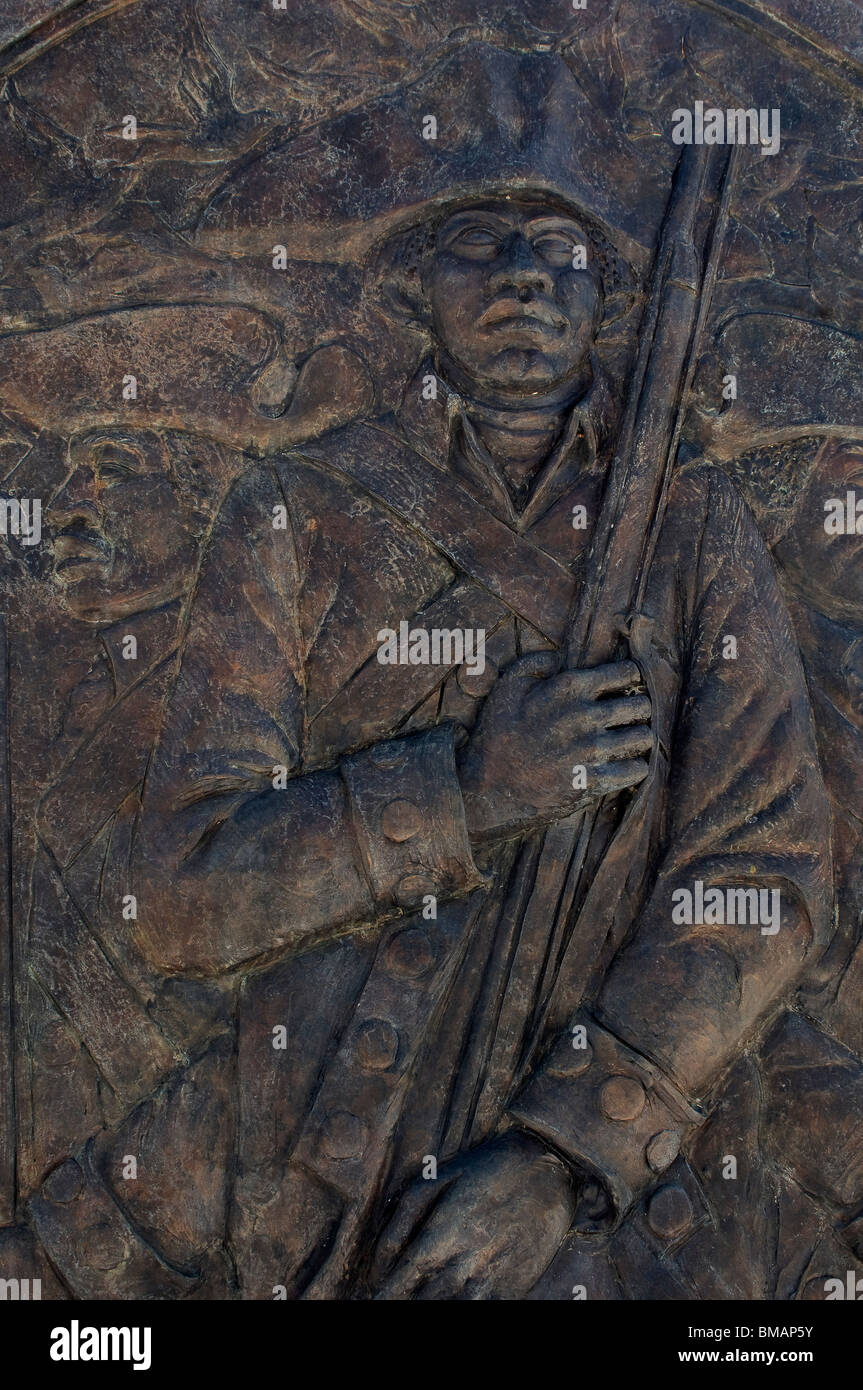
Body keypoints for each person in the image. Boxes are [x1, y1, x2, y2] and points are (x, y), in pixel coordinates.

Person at [120, 45, 830, 1300]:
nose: (520, 278)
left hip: (604, 1237)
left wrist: (566, 1156)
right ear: (408, 283)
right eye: (476, 241)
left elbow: (760, 872)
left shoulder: (695, 526)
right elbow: (181, 904)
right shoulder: (297, 509)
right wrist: (466, 792)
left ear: (607, 287)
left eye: (558, 246)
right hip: (306, 1186)